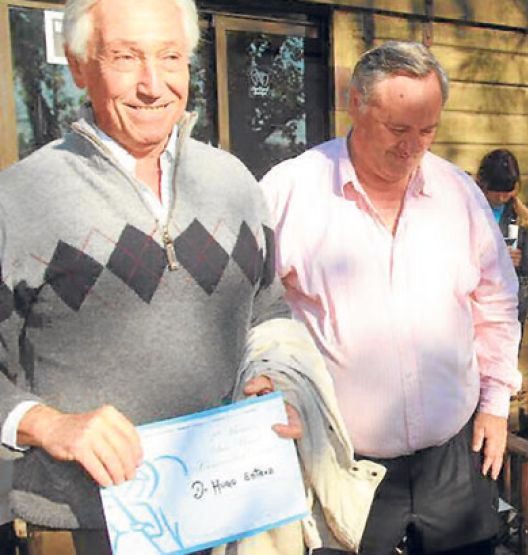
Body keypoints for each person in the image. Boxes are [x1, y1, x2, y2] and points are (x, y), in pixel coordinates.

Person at [0, 1, 319, 553]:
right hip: (84, 531)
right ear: (78, 66)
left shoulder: (236, 183)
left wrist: (276, 379)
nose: (153, 85)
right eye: (125, 57)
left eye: (170, 56)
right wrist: (48, 424)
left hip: (232, 515)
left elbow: (268, 313)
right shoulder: (20, 201)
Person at [261, 41, 522, 555]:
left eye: (428, 131)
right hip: (341, 462)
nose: (413, 147)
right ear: (355, 103)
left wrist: (495, 404)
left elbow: (496, 301)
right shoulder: (292, 190)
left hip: (455, 455)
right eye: (398, 129)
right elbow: (248, 309)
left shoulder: (458, 193)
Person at [476, 149, 528, 320]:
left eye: (508, 190)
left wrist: (520, 261)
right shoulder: (471, 211)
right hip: (476, 306)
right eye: (496, 190)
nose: (502, 197)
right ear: (483, 184)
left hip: (508, 307)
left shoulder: (519, 217)